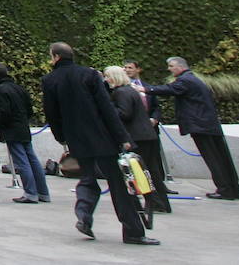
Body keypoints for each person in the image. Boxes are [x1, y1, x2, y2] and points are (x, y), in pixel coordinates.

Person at [42, 42, 156, 246]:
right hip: (102, 137)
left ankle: (84, 216)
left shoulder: (50, 80)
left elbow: (52, 113)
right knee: (119, 185)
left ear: (56, 57)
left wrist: (62, 137)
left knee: (87, 178)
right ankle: (133, 232)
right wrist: (123, 138)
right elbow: (107, 109)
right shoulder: (90, 75)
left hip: (77, 138)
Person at [141, 56, 239, 200]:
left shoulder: (185, 80)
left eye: (171, 66)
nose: (169, 69)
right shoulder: (193, 79)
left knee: (213, 158)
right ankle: (232, 188)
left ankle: (225, 189)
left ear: (180, 66)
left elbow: (169, 89)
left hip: (201, 125)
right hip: (208, 124)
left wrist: (145, 89)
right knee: (221, 157)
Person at [103, 66, 166, 213]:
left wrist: (108, 107)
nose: (106, 80)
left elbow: (124, 114)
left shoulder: (121, 92)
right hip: (146, 135)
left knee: (141, 172)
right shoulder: (129, 90)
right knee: (151, 171)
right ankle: (159, 202)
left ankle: (154, 202)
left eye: (108, 76)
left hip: (137, 137)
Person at [0, 62, 50, 204]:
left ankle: (30, 192)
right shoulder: (18, 88)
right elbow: (29, 108)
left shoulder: (0, 90)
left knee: (22, 160)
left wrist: (1, 126)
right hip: (23, 126)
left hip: (12, 128)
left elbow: (4, 111)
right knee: (32, 158)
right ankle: (43, 192)